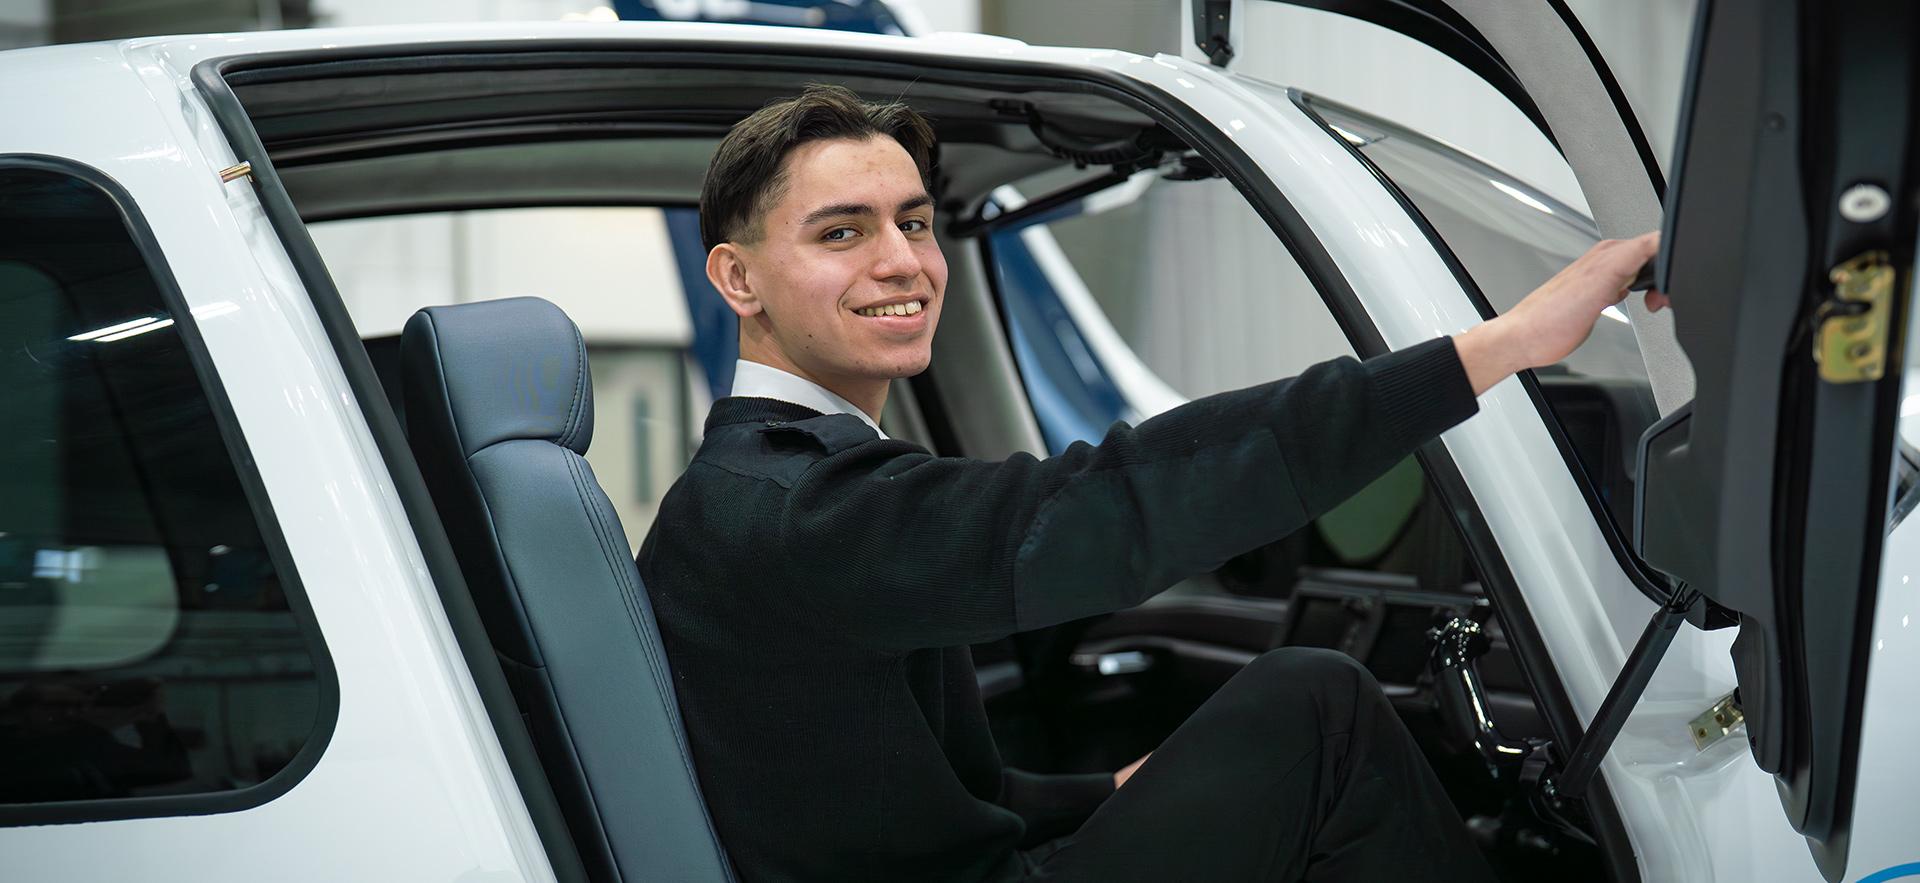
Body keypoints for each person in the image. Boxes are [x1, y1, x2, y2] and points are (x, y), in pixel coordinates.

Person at [637, 84, 1667, 883]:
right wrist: (1499, 347)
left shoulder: (754, 489)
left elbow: (914, 802)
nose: (903, 260)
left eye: (913, 222)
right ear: (737, 279)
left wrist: (1106, 790)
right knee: (1320, 706)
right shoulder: (802, 510)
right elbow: (1118, 498)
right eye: (842, 232)